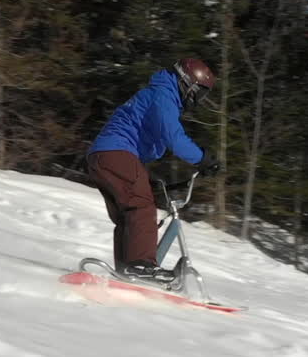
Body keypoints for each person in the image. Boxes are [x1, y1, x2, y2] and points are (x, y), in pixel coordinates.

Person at [86, 57, 220, 284]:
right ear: (188, 84)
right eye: (199, 93)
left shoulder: (159, 95)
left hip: (102, 157)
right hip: (116, 153)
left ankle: (127, 271)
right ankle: (140, 266)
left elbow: (152, 143)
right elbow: (174, 139)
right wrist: (203, 159)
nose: (198, 100)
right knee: (141, 207)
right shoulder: (163, 97)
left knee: (127, 217)